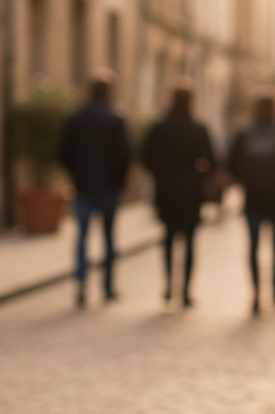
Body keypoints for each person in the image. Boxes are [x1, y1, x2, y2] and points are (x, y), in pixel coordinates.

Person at [58, 69, 131, 308]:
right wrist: (120, 182)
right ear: (109, 92)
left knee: (82, 236)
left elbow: (63, 152)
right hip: (108, 187)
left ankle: (81, 283)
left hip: (84, 186)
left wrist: (76, 174)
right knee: (109, 238)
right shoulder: (116, 119)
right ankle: (108, 287)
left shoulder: (76, 118)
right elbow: (125, 156)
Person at [141, 83, 216, 308]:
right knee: (190, 241)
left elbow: (146, 157)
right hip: (191, 192)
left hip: (166, 190)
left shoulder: (159, 126)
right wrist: (198, 176)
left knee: (168, 238)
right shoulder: (198, 127)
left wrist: (161, 173)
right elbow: (210, 160)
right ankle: (184, 291)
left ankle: (167, 285)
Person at [228, 95, 275, 315]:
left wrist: (247, 179)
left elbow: (232, 163)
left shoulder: (244, 133)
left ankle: (256, 291)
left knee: (253, 246)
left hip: (252, 197)